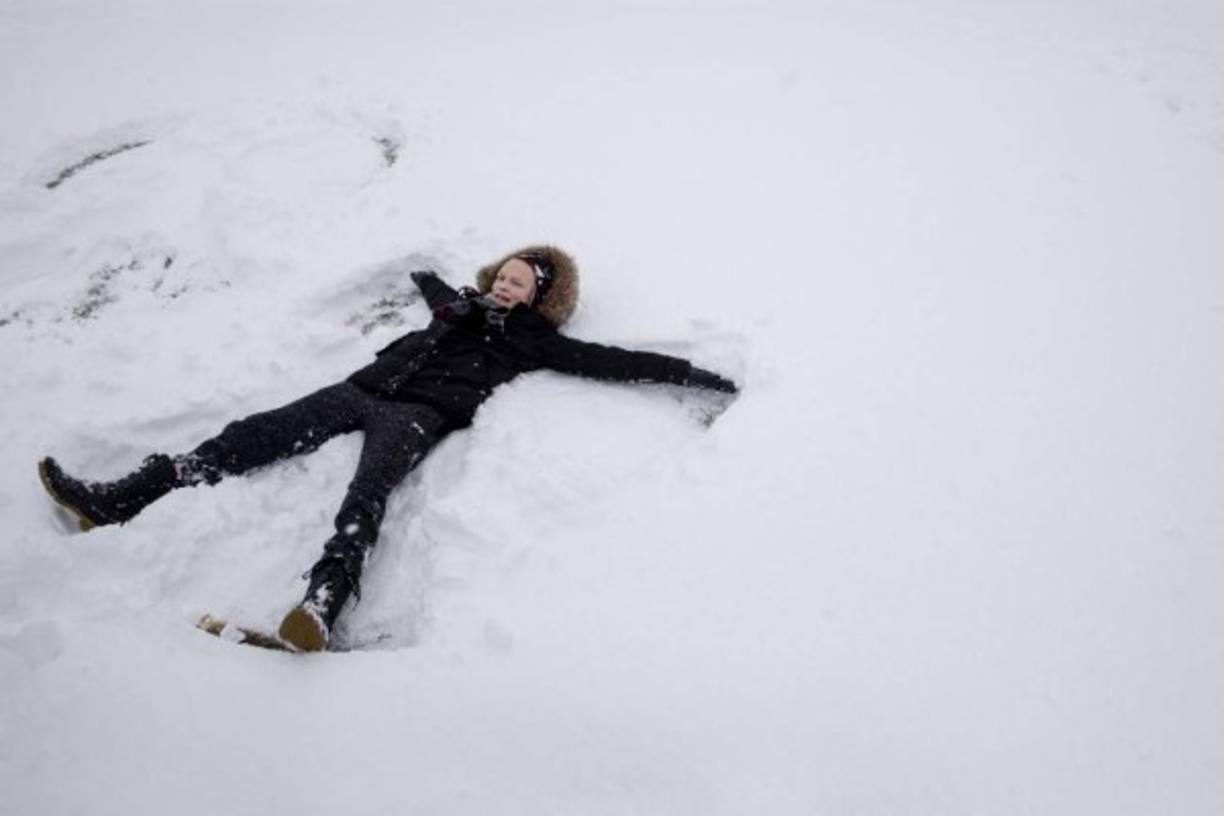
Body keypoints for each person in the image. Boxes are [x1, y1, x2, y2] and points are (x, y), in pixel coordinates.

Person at [37, 245, 738, 651]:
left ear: (538, 298)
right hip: (358, 389)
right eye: (503, 272)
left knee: (364, 499)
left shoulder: (532, 340)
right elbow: (434, 283)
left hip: (414, 417)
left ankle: (320, 606)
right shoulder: (456, 307)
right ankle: (120, 500)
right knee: (243, 439)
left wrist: (693, 375)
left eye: (520, 281)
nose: (505, 282)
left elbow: (610, 360)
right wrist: (424, 273)